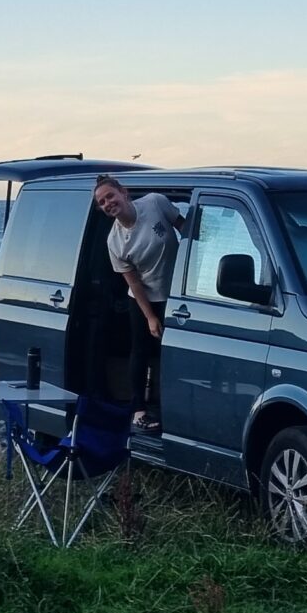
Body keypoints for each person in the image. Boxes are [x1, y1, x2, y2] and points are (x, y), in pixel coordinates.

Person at [93, 173, 183, 431]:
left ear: (123, 192)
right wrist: (150, 317)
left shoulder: (155, 204)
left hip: (178, 293)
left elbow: (186, 229)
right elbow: (133, 283)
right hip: (145, 298)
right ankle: (138, 410)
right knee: (140, 351)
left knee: (175, 352)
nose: (108, 202)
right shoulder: (115, 242)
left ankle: (174, 407)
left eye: (110, 195)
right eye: (102, 202)